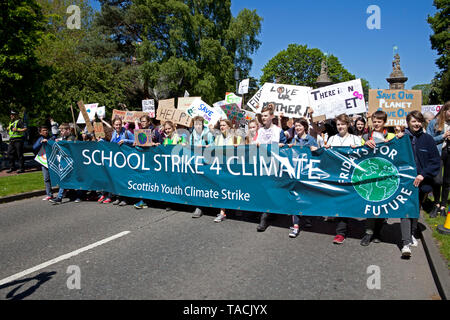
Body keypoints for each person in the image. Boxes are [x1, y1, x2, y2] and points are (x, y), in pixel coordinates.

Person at [400, 111, 440, 257]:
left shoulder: (428, 139)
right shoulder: (401, 139)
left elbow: (435, 161)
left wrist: (423, 175)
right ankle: (405, 243)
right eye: (413, 121)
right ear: (408, 123)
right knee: (405, 210)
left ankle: (411, 233)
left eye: (419, 121)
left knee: (415, 209)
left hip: (422, 182)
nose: (416, 124)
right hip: (405, 182)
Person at [360, 110, 400, 246]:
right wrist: (365, 144)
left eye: (379, 121)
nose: (376, 124)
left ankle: (378, 232)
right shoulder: (366, 136)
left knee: (383, 204)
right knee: (372, 204)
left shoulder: (391, 135)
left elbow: (401, 148)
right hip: (371, 174)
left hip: (386, 175)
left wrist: (397, 138)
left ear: (384, 122)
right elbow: (358, 151)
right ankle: (368, 233)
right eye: (374, 121)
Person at [324, 114, 363, 244]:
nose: (340, 127)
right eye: (338, 124)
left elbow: (362, 156)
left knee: (344, 202)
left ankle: (341, 232)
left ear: (348, 125)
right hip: (335, 175)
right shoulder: (331, 139)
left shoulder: (356, 139)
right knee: (337, 201)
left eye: (342, 124)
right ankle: (339, 221)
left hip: (349, 175)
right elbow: (327, 157)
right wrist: (326, 150)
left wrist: (357, 149)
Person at [286, 118, 318, 238]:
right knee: (295, 199)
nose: (297, 128)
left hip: (306, 174)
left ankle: (307, 218)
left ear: (305, 127)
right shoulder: (294, 139)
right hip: (295, 174)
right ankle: (295, 226)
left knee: (305, 198)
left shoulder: (311, 140)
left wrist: (315, 149)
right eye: (296, 126)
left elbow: (317, 155)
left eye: (299, 126)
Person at [255, 104, 283, 231]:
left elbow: (285, 147)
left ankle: (265, 217)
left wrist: (282, 146)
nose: (263, 118)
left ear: (272, 116)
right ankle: (266, 214)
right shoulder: (260, 131)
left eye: (266, 116)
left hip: (273, 164)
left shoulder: (278, 131)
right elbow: (253, 144)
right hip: (261, 163)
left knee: (271, 189)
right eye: (262, 116)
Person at [211, 119, 243, 223]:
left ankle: (238, 207)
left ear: (229, 126)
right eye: (220, 125)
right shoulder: (218, 138)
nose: (222, 127)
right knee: (222, 188)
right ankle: (222, 212)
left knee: (234, 187)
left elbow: (243, 148)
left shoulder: (235, 137)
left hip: (233, 166)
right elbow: (214, 148)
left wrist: (239, 146)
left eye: (224, 125)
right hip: (221, 166)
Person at [133, 115, 163, 209]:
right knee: (144, 180)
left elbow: (162, 143)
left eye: (144, 121)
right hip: (144, 160)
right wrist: (135, 144)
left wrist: (156, 144)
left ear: (149, 122)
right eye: (141, 121)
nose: (142, 123)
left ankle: (151, 200)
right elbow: (140, 144)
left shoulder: (155, 131)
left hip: (154, 160)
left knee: (152, 180)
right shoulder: (140, 132)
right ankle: (144, 200)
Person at [426, 101, 450, 217]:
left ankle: (443, 205)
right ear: (444, 111)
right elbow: (429, 141)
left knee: (447, 181)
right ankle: (436, 203)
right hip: (438, 153)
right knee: (437, 180)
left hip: (448, 153)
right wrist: (443, 136)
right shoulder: (434, 123)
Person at [104, 117, 134, 206]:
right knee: (117, 179)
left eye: (120, 124)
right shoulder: (113, 133)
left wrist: (125, 140)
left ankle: (125, 199)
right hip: (116, 160)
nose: (118, 126)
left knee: (124, 179)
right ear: (113, 125)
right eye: (116, 125)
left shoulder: (126, 132)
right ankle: (118, 197)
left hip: (125, 159)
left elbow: (136, 141)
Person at [189, 116, 214, 218]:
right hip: (196, 161)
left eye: (199, 124)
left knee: (207, 183)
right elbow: (190, 146)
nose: (198, 126)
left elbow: (213, 144)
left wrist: (207, 146)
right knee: (197, 183)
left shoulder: (207, 133)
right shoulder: (192, 135)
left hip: (207, 161)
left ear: (203, 124)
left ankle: (210, 205)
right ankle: (199, 207)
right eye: (196, 124)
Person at [49, 123, 76, 204]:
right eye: (60, 130)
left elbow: (69, 144)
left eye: (62, 130)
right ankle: (74, 195)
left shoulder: (72, 137)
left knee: (65, 178)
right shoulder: (63, 137)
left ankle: (59, 197)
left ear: (68, 130)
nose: (61, 132)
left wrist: (61, 142)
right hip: (66, 162)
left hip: (72, 162)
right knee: (67, 179)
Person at [33, 125, 55, 201]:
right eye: (44, 130)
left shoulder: (52, 138)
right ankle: (49, 194)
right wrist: (41, 143)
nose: (46, 131)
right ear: (40, 132)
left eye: (46, 130)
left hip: (54, 161)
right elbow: (34, 148)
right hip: (44, 162)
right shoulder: (40, 139)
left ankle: (64, 192)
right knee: (46, 178)